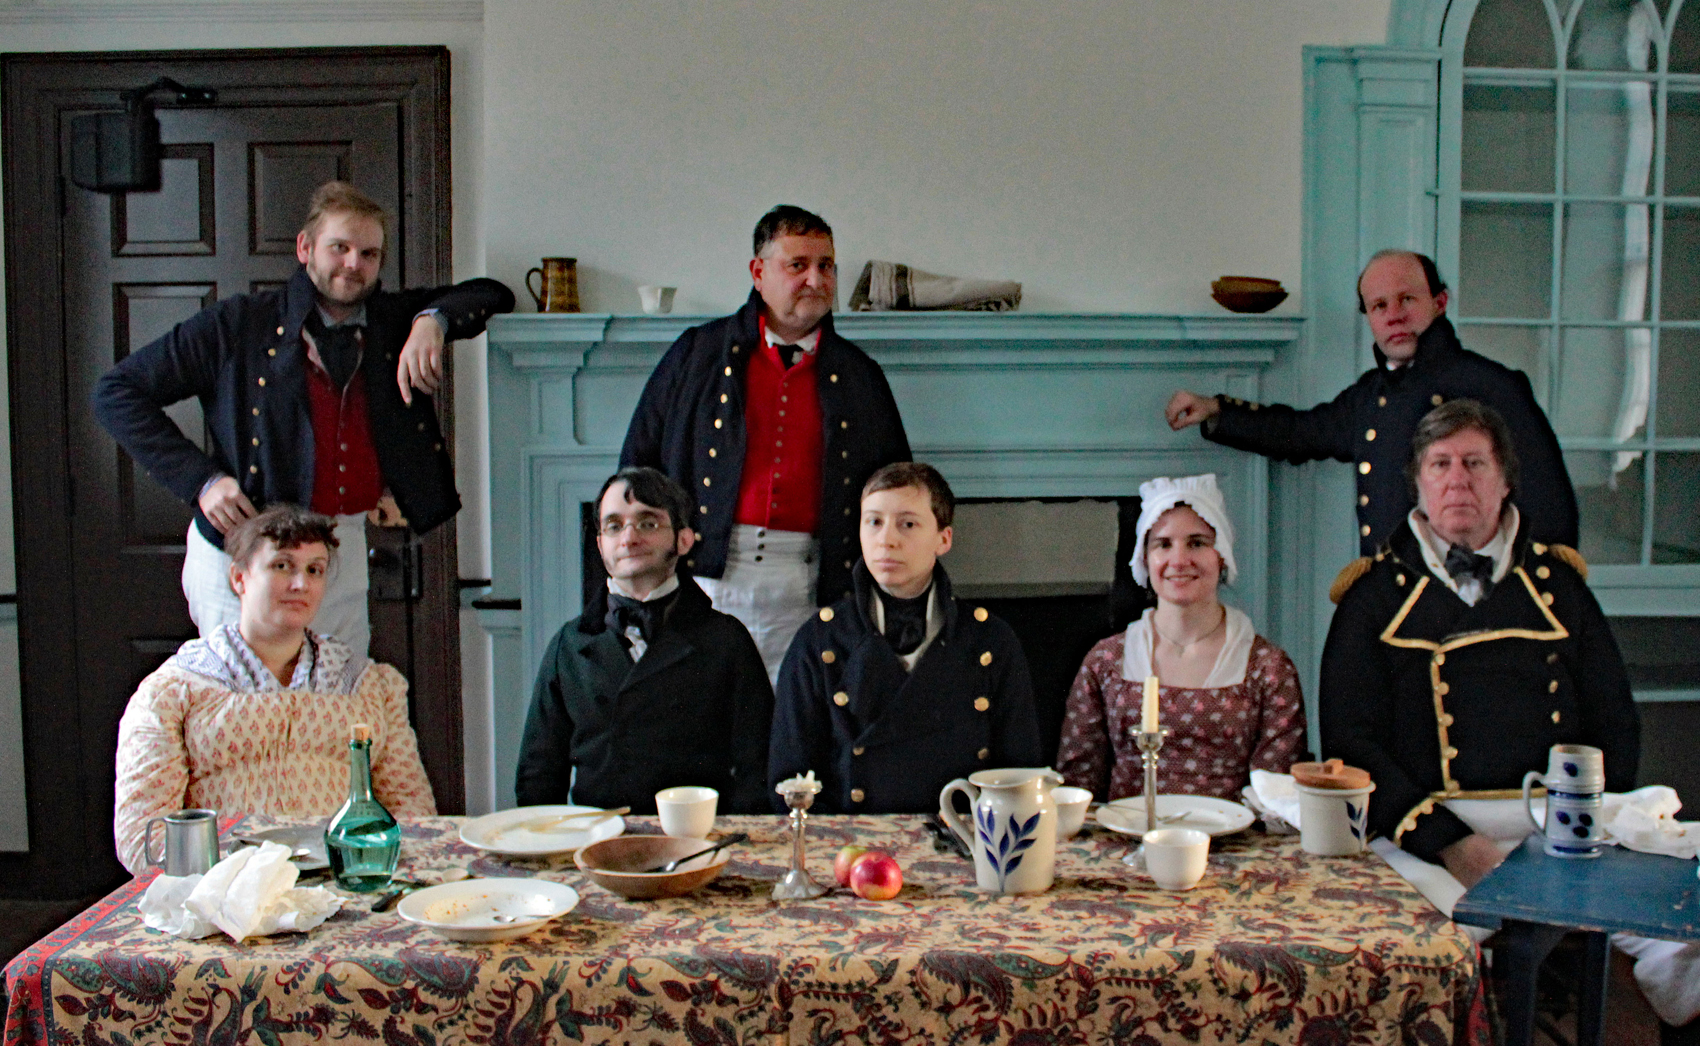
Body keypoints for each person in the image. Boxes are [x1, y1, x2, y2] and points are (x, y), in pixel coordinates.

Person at [1321, 401, 1697, 1033]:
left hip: (1562, 831)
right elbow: (1351, 746)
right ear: (1419, 483)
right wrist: (1452, 844)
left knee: (1686, 933)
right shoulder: (1371, 597)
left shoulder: (1560, 586)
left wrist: (1577, 832)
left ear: (1504, 480)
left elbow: (1615, 723)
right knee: (1402, 966)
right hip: (1425, 840)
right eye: (1440, 464)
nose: (1457, 479)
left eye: (1474, 462)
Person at [94, 181, 515, 656]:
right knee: (247, 711)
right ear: (305, 248)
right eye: (340, 247)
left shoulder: (392, 321)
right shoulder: (239, 324)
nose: (354, 264)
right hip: (247, 549)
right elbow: (116, 393)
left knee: (339, 707)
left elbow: (491, 293)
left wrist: (432, 320)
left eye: (369, 253)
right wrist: (202, 481)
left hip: (340, 543)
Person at [620, 205, 910, 682]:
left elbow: (897, 489)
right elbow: (637, 470)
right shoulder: (696, 355)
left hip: (812, 587)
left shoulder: (861, 377)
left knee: (795, 729)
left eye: (826, 266)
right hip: (706, 580)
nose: (816, 279)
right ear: (759, 272)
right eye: (798, 265)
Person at [1165, 250, 1577, 554]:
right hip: (1390, 600)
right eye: (1379, 306)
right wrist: (1218, 410)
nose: (1393, 315)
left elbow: (1549, 513)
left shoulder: (1494, 387)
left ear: (1440, 302)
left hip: (1469, 606)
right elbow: (1301, 434)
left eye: (1407, 300)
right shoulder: (1372, 394)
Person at [112, 505, 436, 875]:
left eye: (314, 570)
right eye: (282, 566)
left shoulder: (369, 686)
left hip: (342, 883)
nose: (300, 584)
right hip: (223, 892)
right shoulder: (173, 693)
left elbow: (415, 818)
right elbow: (143, 836)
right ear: (239, 578)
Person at [768, 462, 1041, 813]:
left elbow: (1021, 775)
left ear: (944, 539)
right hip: (850, 848)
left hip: (963, 842)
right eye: (874, 522)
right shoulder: (819, 641)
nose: (887, 539)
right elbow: (788, 781)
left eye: (907, 524)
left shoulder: (990, 641)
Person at [515, 467, 773, 814]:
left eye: (647, 523)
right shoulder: (570, 645)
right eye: (614, 526)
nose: (629, 537)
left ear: (683, 539)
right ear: (599, 543)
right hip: (596, 840)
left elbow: (757, 765)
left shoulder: (726, 640)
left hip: (697, 841)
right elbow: (539, 774)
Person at [1057, 473, 1306, 802]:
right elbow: (1078, 785)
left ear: (1222, 556)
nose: (1178, 560)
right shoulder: (1105, 662)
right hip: (1128, 843)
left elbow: (1278, 791)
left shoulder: (1267, 668)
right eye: (1163, 544)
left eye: (1197, 543)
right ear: (1145, 559)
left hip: (1236, 846)